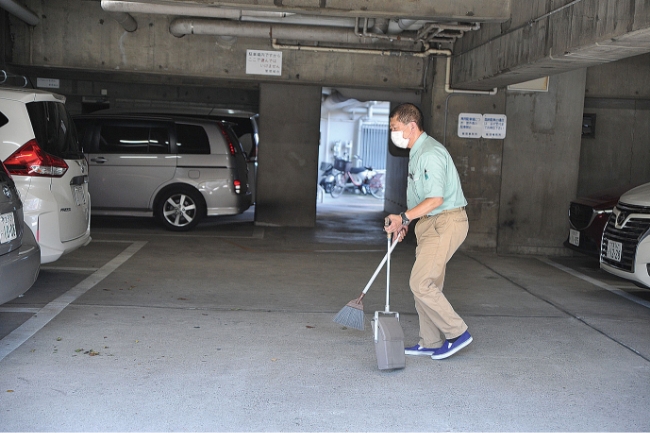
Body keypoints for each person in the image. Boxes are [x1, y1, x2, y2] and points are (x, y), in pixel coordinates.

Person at [384, 103, 472, 360]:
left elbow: (435, 199)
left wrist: (402, 216)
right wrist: (407, 223)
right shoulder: (418, 152)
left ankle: (458, 333)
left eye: (395, 128)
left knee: (420, 283)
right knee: (427, 283)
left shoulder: (430, 153)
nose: (393, 133)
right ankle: (430, 342)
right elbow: (422, 200)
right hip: (430, 224)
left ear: (411, 126)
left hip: (444, 222)